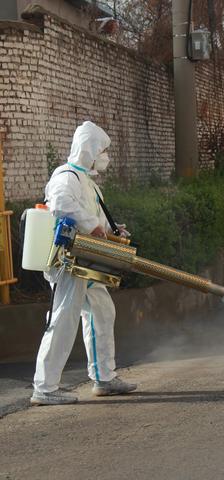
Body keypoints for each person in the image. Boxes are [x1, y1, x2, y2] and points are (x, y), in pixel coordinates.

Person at [31, 121, 137, 406]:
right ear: (89, 150)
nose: (105, 157)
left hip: (85, 261)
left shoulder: (87, 183)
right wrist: (93, 226)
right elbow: (62, 205)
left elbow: (96, 219)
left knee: (102, 312)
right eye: (102, 150)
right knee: (64, 320)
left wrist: (113, 231)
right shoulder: (66, 177)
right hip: (67, 262)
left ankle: (104, 378)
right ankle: (44, 387)